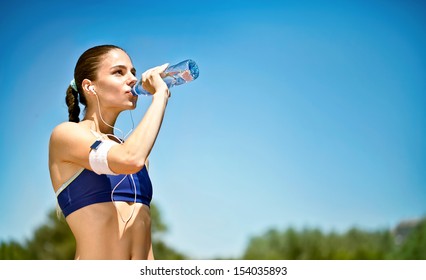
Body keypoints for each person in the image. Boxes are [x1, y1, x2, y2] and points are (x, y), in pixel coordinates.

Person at [48, 45, 170, 259]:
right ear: (90, 86)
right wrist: (160, 96)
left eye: (133, 72)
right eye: (118, 72)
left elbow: (142, 230)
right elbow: (129, 159)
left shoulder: (137, 154)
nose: (132, 79)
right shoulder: (66, 135)